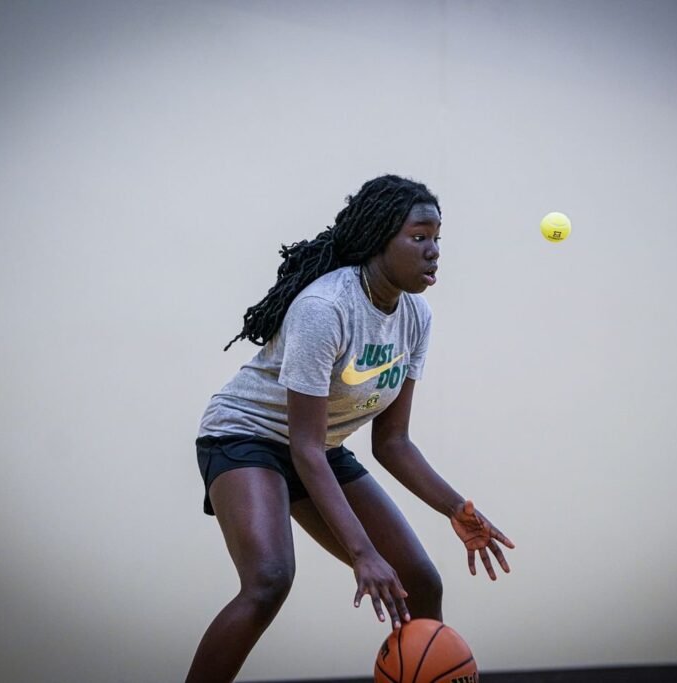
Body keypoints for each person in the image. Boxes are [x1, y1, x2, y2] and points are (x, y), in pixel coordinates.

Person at [187, 175, 514, 682]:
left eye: (437, 239)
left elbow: (392, 442)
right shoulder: (326, 308)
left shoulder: (415, 317)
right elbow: (303, 449)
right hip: (246, 437)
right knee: (269, 580)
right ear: (379, 239)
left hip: (319, 446)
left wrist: (457, 509)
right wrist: (362, 554)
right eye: (419, 237)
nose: (433, 252)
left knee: (420, 582)